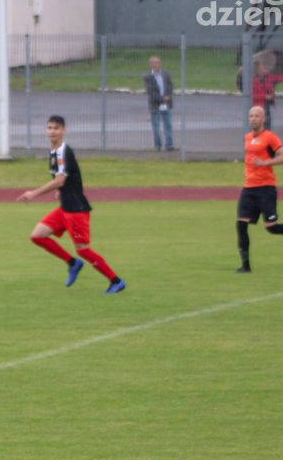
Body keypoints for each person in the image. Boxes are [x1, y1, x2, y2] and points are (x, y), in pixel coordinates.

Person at [18, 115, 127, 294]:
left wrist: (34, 193)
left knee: (83, 250)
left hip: (76, 210)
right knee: (37, 236)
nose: (52, 131)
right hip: (65, 208)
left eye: (56, 128)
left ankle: (116, 281)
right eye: (49, 128)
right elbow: (68, 178)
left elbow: (60, 180)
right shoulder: (53, 151)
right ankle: (72, 263)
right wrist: (62, 191)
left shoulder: (64, 151)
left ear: (64, 130)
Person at [235, 104, 283, 273]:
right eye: (251, 116)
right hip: (248, 189)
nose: (253, 119)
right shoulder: (247, 137)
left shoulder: (270, 137)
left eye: (257, 116)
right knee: (241, 224)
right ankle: (246, 266)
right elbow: (250, 159)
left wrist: (265, 163)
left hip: (266, 189)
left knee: (271, 227)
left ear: (264, 119)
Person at [251, 53, 283, 130]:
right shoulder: (254, 81)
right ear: (257, 69)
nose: (267, 70)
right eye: (264, 68)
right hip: (258, 105)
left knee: (267, 121)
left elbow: (280, 78)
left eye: (267, 68)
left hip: (266, 104)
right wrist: (265, 96)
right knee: (259, 122)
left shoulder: (269, 77)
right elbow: (253, 95)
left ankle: (267, 133)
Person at [143, 55, 174, 151]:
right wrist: (162, 99)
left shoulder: (166, 74)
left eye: (158, 62)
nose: (156, 64)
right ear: (151, 65)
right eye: (154, 63)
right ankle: (158, 146)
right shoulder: (148, 77)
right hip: (155, 104)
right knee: (156, 127)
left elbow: (170, 86)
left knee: (168, 125)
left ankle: (169, 145)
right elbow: (150, 92)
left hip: (166, 104)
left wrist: (168, 96)